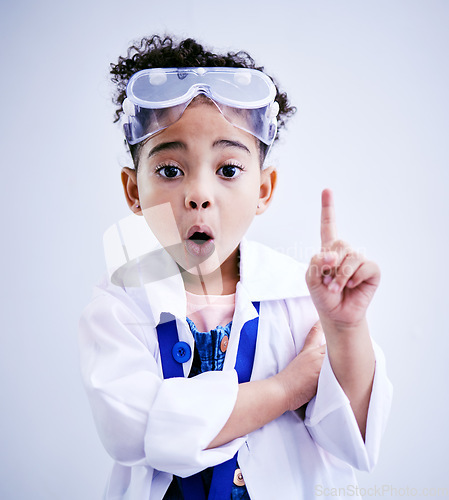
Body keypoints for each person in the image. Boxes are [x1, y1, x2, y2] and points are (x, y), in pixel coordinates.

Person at [79, 34, 392, 500]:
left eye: (228, 170)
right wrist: (290, 387)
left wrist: (346, 328)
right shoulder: (119, 305)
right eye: (170, 170)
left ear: (263, 189)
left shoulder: (302, 297)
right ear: (132, 190)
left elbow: (351, 439)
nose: (199, 193)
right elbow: (139, 429)